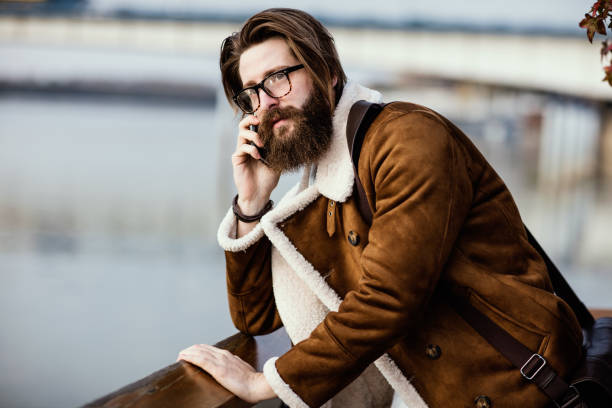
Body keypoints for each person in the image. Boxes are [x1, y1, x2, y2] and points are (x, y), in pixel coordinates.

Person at [177, 8, 584, 408]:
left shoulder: (406, 139)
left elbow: (390, 298)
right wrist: (251, 203)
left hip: (517, 387)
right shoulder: (322, 178)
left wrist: (264, 383)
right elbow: (256, 320)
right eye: (251, 93)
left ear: (328, 73)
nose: (265, 103)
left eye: (278, 78)